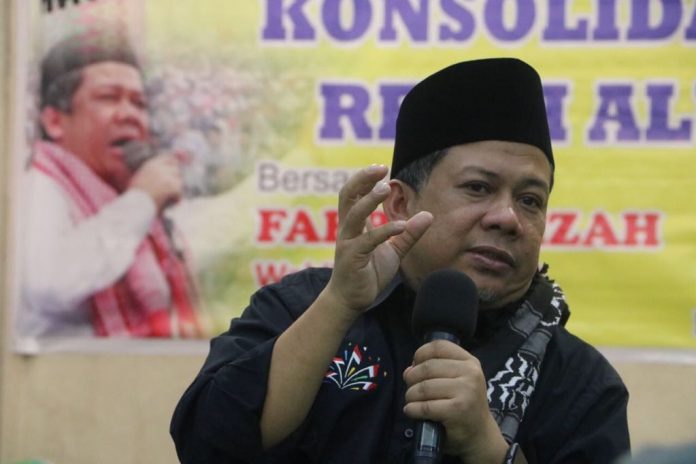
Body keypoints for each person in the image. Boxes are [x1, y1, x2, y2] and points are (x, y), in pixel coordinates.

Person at [170, 58, 630, 463]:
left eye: (530, 200)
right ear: (400, 204)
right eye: (478, 188)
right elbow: (207, 447)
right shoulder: (301, 308)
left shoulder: (579, 382)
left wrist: (488, 448)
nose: (507, 218)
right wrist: (339, 305)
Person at [19, 33, 205, 338]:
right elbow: (49, 283)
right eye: (109, 97)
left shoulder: (128, 193)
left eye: (139, 103)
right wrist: (141, 201)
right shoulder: (37, 188)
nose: (129, 115)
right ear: (54, 121)